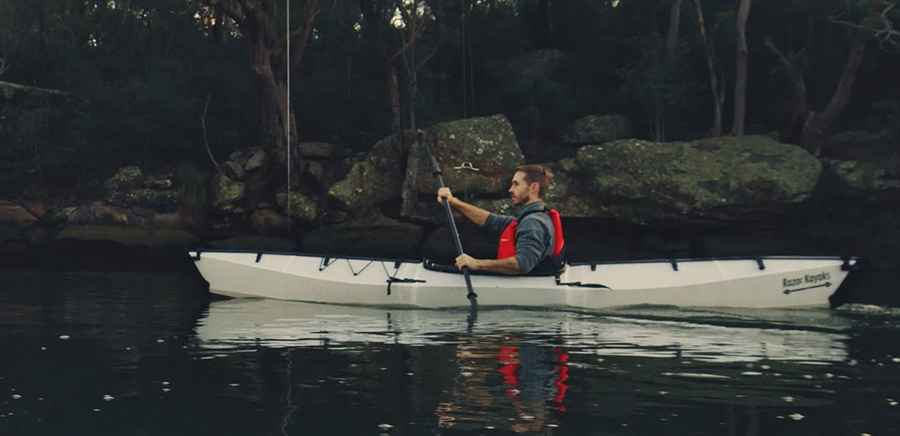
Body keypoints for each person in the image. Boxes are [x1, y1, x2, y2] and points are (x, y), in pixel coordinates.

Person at [436, 164, 565, 275]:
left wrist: (477, 264)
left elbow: (522, 264)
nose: (510, 189)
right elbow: (489, 220)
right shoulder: (535, 215)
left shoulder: (532, 223)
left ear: (533, 188)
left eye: (516, 184)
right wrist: (453, 202)